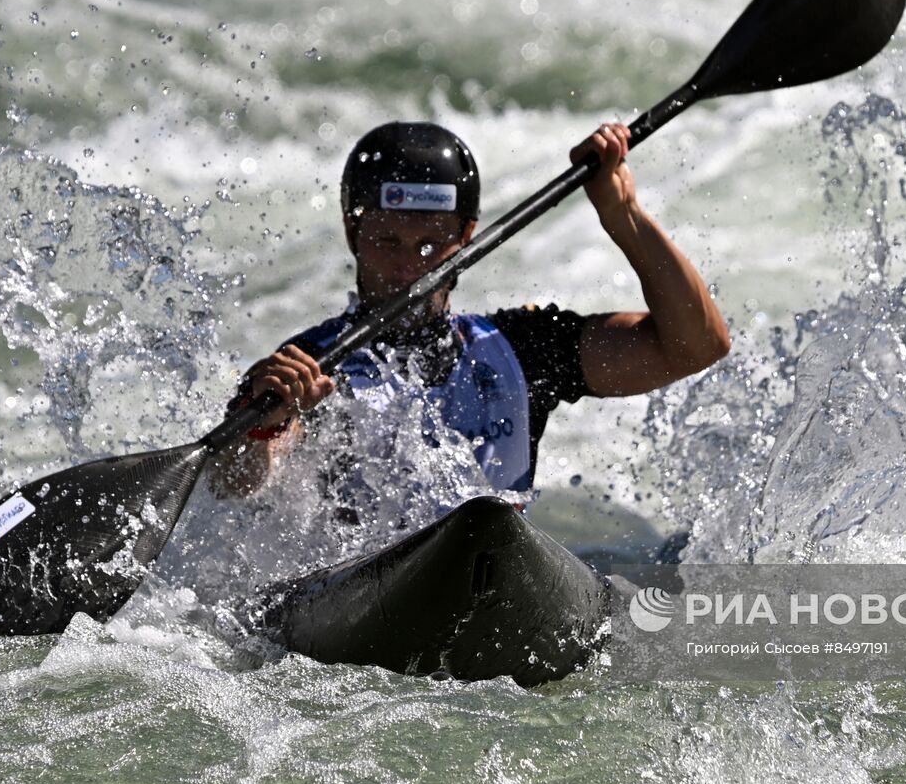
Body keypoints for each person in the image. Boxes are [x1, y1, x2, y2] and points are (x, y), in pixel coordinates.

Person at [212, 120, 730, 510]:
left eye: (430, 244)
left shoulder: (522, 350)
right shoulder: (308, 366)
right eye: (387, 240)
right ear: (354, 236)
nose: (407, 267)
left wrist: (623, 215)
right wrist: (261, 425)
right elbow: (235, 486)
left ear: (465, 240)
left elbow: (697, 346)